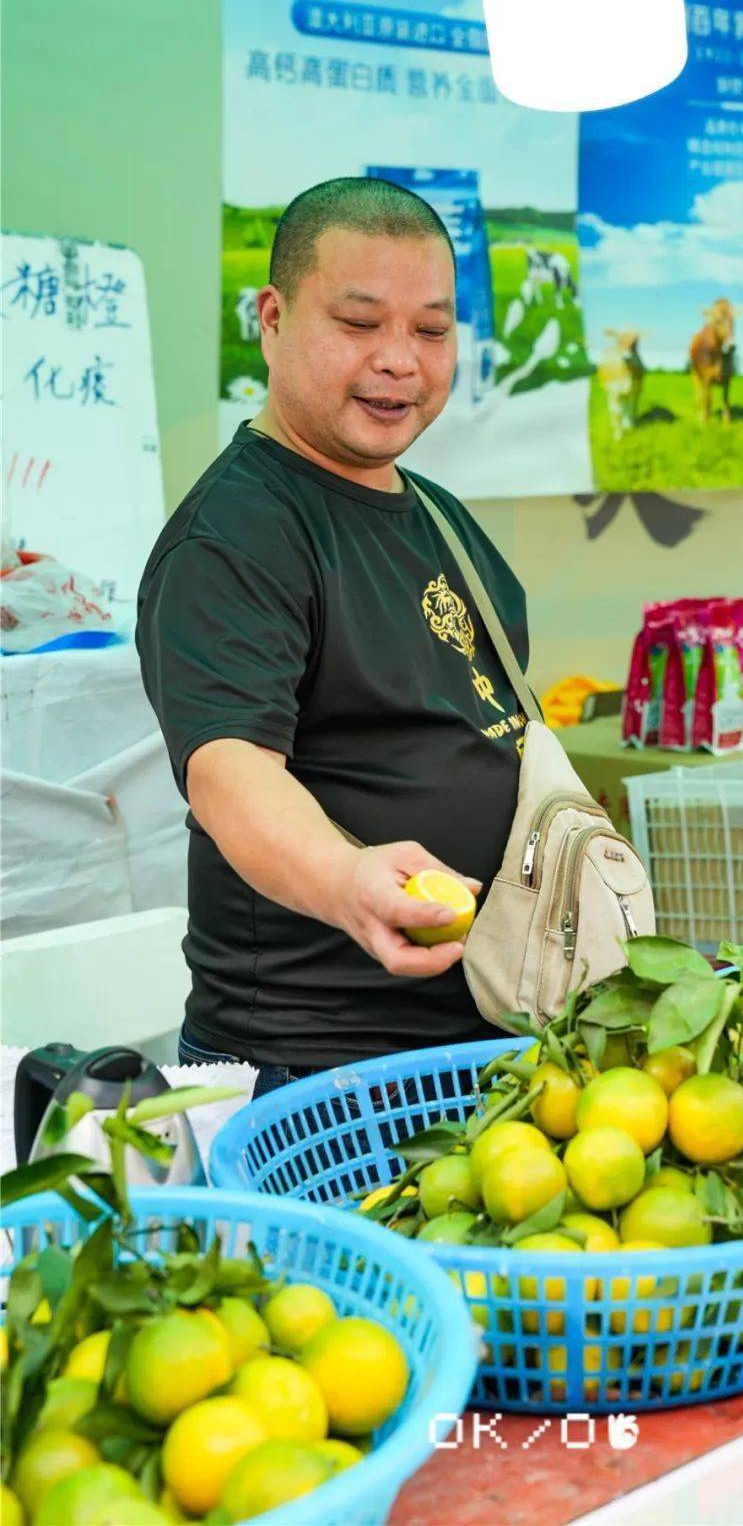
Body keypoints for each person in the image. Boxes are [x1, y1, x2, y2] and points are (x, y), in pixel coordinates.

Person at [137, 176, 528, 1098]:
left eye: (431, 331)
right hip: (319, 1068)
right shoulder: (236, 534)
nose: (401, 360)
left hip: (482, 1039)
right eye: (359, 323)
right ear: (271, 319)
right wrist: (348, 880)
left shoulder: (439, 516)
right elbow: (233, 774)